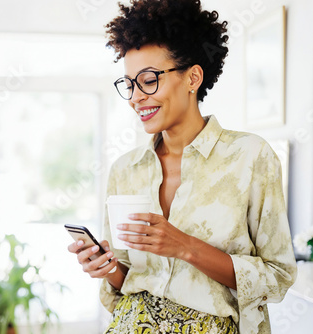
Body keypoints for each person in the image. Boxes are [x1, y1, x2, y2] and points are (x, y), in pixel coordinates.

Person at [67, 0, 297, 333]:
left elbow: (277, 276)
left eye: (148, 80)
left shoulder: (251, 157)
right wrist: (106, 267)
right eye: (129, 84)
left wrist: (184, 246)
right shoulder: (125, 170)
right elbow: (128, 277)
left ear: (192, 77)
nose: (135, 97)